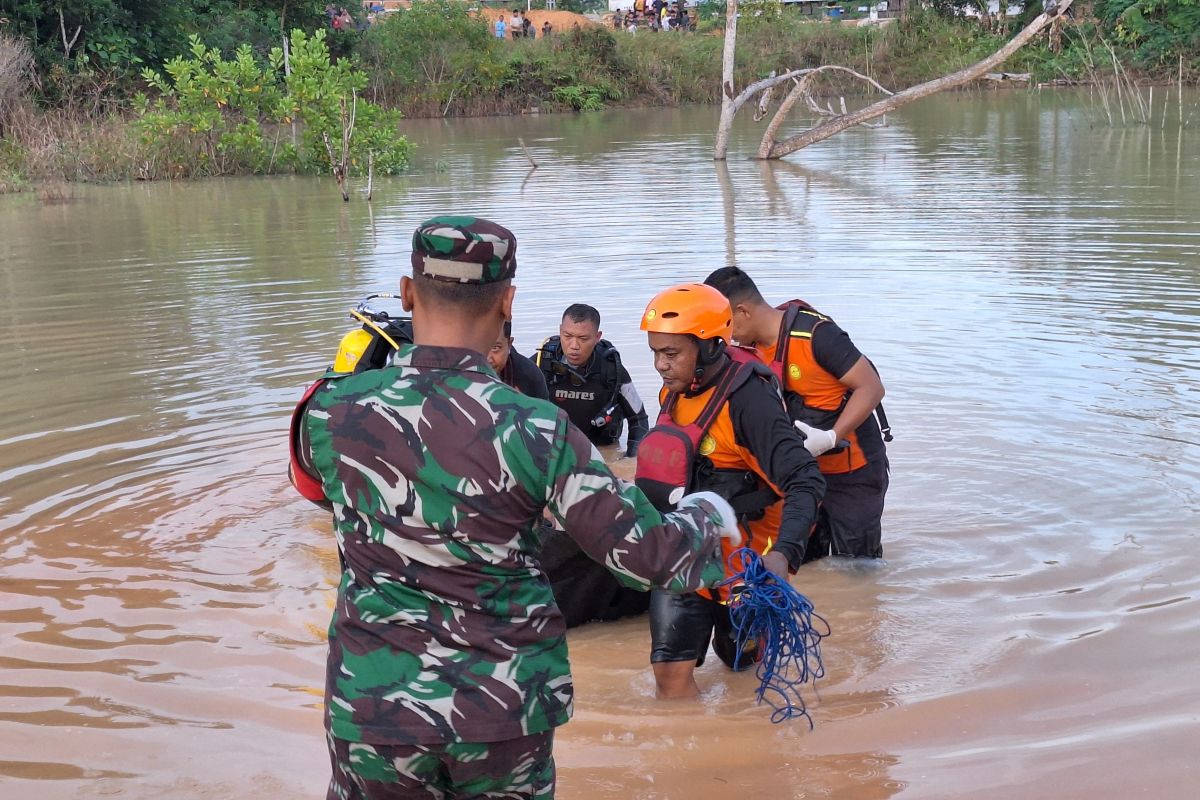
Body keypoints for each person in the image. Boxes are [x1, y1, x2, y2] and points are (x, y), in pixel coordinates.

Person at [292, 217, 741, 799]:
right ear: (507, 302)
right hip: (501, 711)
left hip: (374, 706)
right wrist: (710, 513)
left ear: (407, 293)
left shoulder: (331, 411)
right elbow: (648, 556)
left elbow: (312, 487)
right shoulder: (537, 428)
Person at [635, 282, 826, 699]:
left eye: (671, 354)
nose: (660, 366)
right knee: (669, 675)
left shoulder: (749, 402)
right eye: (655, 353)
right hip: (685, 553)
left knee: (741, 668)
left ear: (707, 348)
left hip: (747, 564)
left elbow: (806, 480)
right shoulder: (675, 391)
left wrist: (784, 555)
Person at [705, 267, 889, 560]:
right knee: (804, 561)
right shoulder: (746, 353)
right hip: (800, 478)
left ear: (742, 312)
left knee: (857, 566)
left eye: (724, 323)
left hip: (853, 472)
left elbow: (872, 387)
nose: (724, 335)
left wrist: (831, 437)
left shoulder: (816, 335)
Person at [536, 304, 649, 459]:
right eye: (567, 336)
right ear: (560, 330)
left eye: (583, 338)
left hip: (601, 451)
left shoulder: (612, 370)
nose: (574, 346)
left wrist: (632, 460)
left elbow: (639, 419)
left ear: (597, 337)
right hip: (554, 451)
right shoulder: (539, 365)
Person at [488, 319, 550, 400]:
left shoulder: (529, 375)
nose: (487, 358)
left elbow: (544, 411)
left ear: (509, 344)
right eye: (478, 347)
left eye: (495, 348)